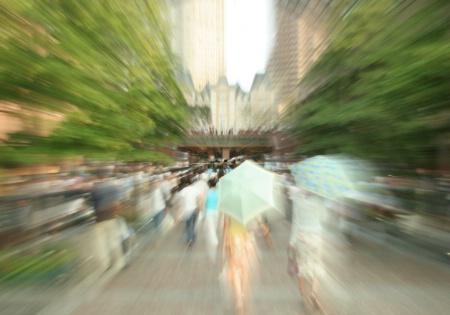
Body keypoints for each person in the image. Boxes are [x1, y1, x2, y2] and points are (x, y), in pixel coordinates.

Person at [287, 186, 324, 311]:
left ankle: (304, 297)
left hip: (301, 238)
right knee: (316, 265)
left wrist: (292, 241)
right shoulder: (320, 199)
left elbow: (296, 222)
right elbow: (323, 218)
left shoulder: (297, 199)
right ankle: (313, 292)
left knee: (300, 268)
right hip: (316, 237)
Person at [222, 216, 257, 315]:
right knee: (244, 269)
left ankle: (239, 300)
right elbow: (252, 227)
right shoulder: (248, 209)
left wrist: (224, 245)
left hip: (233, 240)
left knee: (235, 270)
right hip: (246, 240)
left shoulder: (229, 206)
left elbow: (226, 226)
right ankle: (242, 294)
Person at [179, 176, 201, 247]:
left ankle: (189, 239)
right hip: (195, 209)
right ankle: (194, 238)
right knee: (194, 225)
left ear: (186, 183)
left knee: (188, 225)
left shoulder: (184, 190)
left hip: (187, 210)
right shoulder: (195, 189)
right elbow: (199, 197)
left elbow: (181, 200)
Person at [204, 178, 220, 262]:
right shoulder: (218, 192)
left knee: (211, 228)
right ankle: (214, 238)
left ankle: (214, 240)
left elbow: (205, 203)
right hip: (216, 212)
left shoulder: (207, 192)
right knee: (215, 226)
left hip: (209, 212)